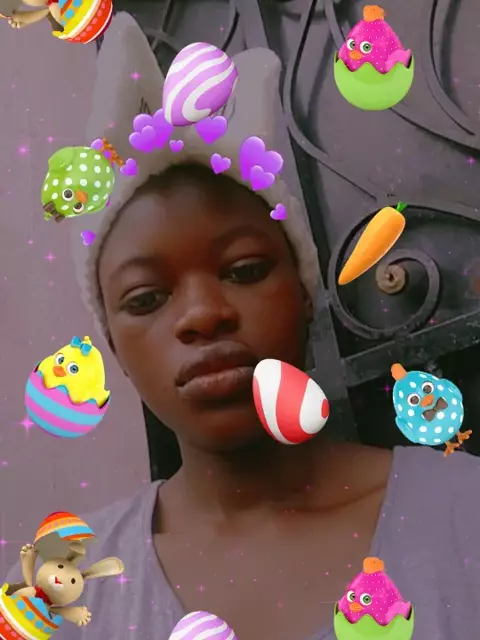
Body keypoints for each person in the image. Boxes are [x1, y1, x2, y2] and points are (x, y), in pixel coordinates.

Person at [6, 12, 480, 640]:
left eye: (245, 270)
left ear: (305, 294)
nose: (203, 313)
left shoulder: (463, 516)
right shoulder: (63, 594)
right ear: (113, 345)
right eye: (146, 298)